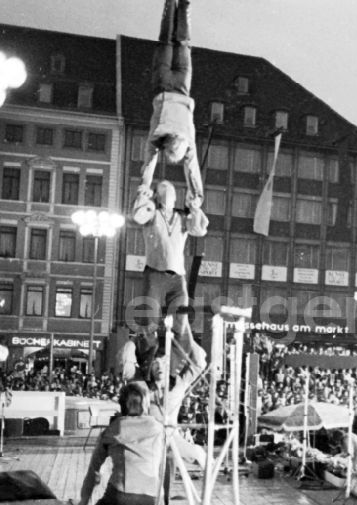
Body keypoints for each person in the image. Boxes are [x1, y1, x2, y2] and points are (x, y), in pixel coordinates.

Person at [131, 180, 207, 379]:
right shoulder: (152, 214)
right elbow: (138, 216)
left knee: (180, 324)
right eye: (164, 193)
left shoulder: (182, 217)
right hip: (154, 274)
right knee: (150, 323)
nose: (169, 196)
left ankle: (173, 371)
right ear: (157, 196)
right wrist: (143, 197)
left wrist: (195, 208)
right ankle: (147, 371)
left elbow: (199, 230)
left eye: (171, 193)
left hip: (177, 277)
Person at [135, 0, 204, 213]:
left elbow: (192, 170)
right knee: (166, 41)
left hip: (182, 87)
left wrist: (197, 196)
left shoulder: (187, 141)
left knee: (183, 43)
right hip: (164, 86)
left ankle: (183, 6)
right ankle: (172, 4)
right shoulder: (157, 138)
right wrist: (144, 187)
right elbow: (150, 165)